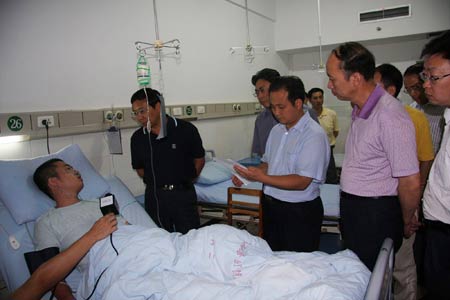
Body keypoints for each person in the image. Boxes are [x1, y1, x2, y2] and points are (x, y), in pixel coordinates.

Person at [325, 42, 421, 271]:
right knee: (357, 275)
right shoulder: (360, 108)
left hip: (375, 216)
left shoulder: (389, 115)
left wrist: (407, 220)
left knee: (371, 280)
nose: (329, 85)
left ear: (356, 79)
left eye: (332, 78)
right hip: (357, 210)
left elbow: (410, 181)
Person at [234, 76, 330, 252]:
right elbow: (269, 164)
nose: (276, 113)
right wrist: (248, 175)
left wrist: (263, 177)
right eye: (273, 107)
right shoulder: (277, 131)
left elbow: (302, 181)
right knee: (273, 257)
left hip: (298, 211)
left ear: (298, 103)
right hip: (271, 206)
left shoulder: (313, 135)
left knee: (298, 265)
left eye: (281, 107)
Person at [374, 63, 435, 300]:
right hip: (378, 204)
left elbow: (425, 161)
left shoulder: (413, 117)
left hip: (403, 200)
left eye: (374, 84)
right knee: (379, 259)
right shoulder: (366, 115)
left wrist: (412, 206)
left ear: (389, 91)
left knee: (402, 261)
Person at [33, 158, 123, 299]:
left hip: (138, 250)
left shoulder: (100, 203)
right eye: (68, 169)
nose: (76, 171)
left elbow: (130, 229)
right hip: (110, 271)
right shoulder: (46, 222)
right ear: (53, 182)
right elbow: (51, 275)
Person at [130, 88, 205, 234]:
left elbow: (199, 159)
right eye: (135, 113)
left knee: (191, 239)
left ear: (158, 106)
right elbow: (139, 168)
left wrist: (186, 179)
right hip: (155, 198)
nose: (139, 117)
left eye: (143, 111)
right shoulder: (138, 139)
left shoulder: (186, 130)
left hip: (183, 196)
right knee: (160, 242)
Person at [11, 214, 118, 300]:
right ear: (53, 185)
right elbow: (43, 279)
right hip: (115, 272)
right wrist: (93, 235)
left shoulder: (99, 202)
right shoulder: (46, 221)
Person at [419, 30, 450, 299]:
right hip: (439, 231)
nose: (426, 84)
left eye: (433, 76)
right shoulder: (447, 117)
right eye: (425, 76)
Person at [251, 68, 319, 157]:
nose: (259, 96)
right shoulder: (261, 119)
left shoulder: (304, 113)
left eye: (262, 90)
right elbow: (257, 152)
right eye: (257, 92)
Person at [404, 62, 445, 154]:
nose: (412, 94)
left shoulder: (443, 109)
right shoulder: (411, 110)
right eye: (408, 90)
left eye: (416, 87)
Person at [308, 87, 339, 184]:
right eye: (315, 98)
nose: (318, 100)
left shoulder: (331, 114)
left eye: (320, 97)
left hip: (328, 150)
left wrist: (326, 143)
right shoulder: (306, 115)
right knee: (313, 177)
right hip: (311, 151)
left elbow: (335, 132)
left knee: (331, 177)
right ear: (310, 100)